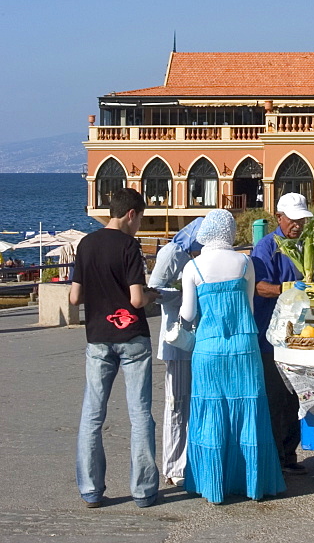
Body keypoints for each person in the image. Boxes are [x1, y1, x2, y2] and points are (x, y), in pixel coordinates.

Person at [180, 209, 284, 504]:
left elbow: (188, 314)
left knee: (212, 411)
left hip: (209, 349)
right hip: (245, 347)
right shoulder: (245, 262)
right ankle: (252, 483)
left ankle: (214, 485)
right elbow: (249, 307)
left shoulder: (194, 267)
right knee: (249, 410)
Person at [70, 188, 159, 509]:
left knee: (92, 415)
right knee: (139, 415)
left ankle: (91, 489)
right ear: (131, 214)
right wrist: (152, 295)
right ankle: (143, 490)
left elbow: (74, 297)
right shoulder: (129, 246)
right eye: (141, 219)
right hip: (132, 337)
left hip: (97, 337)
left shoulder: (86, 244)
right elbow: (136, 299)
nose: (140, 227)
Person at [251, 191, 313, 475]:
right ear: (279, 217)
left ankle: (289, 454)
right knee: (276, 398)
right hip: (270, 335)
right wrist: (285, 290)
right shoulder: (266, 247)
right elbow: (257, 286)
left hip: (300, 335)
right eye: (293, 220)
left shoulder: (304, 247)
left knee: (296, 397)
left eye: (302, 220)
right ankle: (275, 457)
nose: (298, 225)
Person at [148, 218, 203, 487]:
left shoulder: (195, 254)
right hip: (175, 338)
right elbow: (153, 291)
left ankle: (188, 461)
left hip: (194, 338)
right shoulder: (172, 253)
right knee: (176, 404)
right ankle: (173, 466)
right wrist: (185, 292)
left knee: (190, 404)